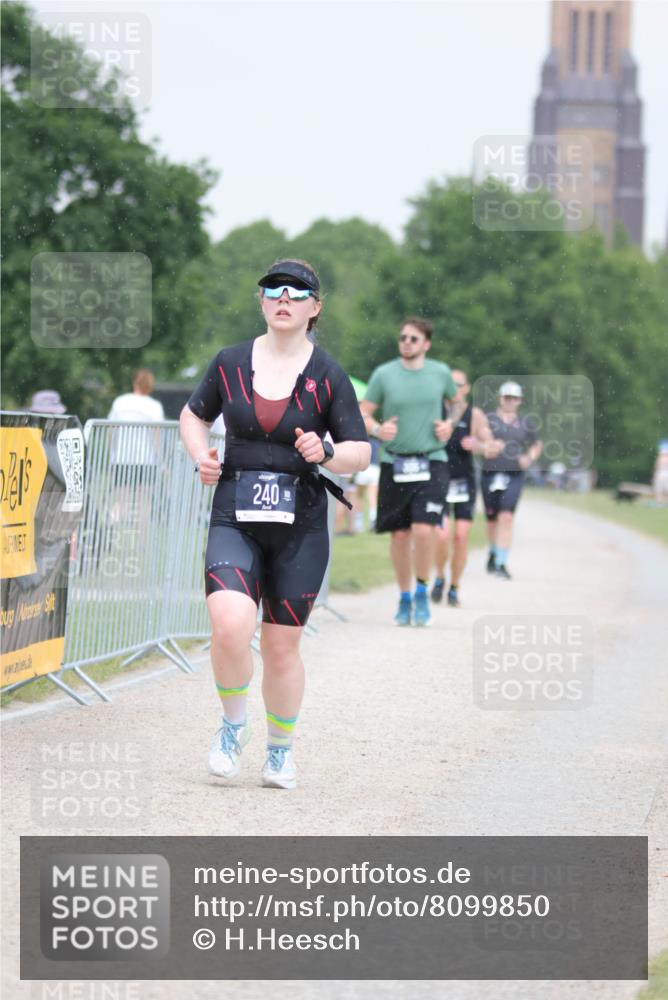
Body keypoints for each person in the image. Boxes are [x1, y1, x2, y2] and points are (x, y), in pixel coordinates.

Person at [180, 258, 370, 790]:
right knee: (229, 626)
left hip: (300, 526)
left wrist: (326, 452)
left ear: (315, 308)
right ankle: (232, 727)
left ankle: (280, 751)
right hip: (234, 515)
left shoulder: (328, 375)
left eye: (298, 291)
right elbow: (194, 415)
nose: (284, 298)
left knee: (282, 647)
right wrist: (200, 454)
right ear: (262, 301)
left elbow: (359, 451)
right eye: (273, 289)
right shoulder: (229, 363)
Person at [360, 317, 460, 627]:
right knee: (400, 535)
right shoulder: (384, 374)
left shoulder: (440, 373)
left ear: (426, 344)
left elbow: (458, 404)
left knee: (424, 529)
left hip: (432, 460)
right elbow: (363, 412)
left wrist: (450, 424)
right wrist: (377, 429)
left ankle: (421, 589)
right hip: (395, 462)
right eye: (403, 337)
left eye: (413, 338)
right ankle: (404, 596)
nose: (406, 342)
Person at [431, 370, 499, 607]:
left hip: (464, 481)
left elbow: (491, 446)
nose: (454, 388)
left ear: (467, 388)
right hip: (439, 479)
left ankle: (454, 586)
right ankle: (440, 576)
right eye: (450, 383)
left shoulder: (474, 415)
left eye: (458, 384)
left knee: (460, 537)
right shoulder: (435, 410)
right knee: (441, 537)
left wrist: (477, 444)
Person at [481, 381, 543, 580]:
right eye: (507, 398)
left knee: (506, 517)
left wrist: (529, 458)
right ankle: (493, 551)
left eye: (514, 398)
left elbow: (536, 444)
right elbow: (476, 440)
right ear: (500, 399)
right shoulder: (488, 420)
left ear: (519, 401)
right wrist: (486, 446)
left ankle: (501, 562)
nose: (510, 401)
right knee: (491, 520)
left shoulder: (526, 423)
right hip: (490, 473)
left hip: (514, 474)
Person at [107, 369, 165, 525]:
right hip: (146, 460)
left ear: (134, 382)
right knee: (144, 504)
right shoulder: (154, 406)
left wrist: (113, 453)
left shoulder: (120, 402)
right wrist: (161, 460)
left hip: (122, 458)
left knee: (120, 502)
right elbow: (157, 435)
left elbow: (111, 430)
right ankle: (142, 538)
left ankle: (109, 530)